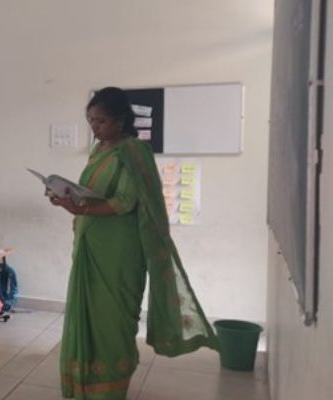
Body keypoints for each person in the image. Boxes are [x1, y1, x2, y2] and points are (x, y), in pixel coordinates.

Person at [47, 87, 218, 399]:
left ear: (121, 120)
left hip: (120, 251)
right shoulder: (98, 151)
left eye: (100, 121)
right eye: (90, 120)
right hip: (90, 244)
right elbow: (91, 194)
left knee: (113, 323)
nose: (94, 127)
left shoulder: (135, 152)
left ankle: (110, 390)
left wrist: (79, 209)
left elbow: (125, 202)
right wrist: (66, 197)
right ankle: (83, 386)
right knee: (87, 317)